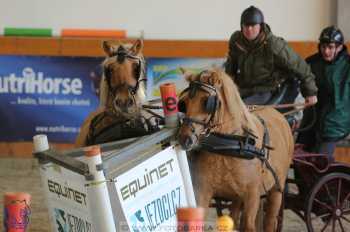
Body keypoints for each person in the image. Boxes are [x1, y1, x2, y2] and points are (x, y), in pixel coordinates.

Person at [224, 5, 318, 107]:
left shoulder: (274, 45)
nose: (249, 29)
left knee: (240, 109)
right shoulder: (236, 41)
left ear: (260, 26)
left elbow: (301, 67)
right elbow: (230, 69)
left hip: (267, 90)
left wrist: (310, 92)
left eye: (253, 25)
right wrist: (225, 87)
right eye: (246, 25)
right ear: (241, 26)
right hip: (244, 89)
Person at [297, 26, 350, 162]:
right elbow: (298, 83)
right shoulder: (312, 62)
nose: (326, 51)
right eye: (323, 47)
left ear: (339, 47)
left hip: (336, 120)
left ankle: (328, 181)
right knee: (298, 157)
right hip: (313, 117)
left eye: (330, 47)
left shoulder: (347, 66)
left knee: (321, 161)